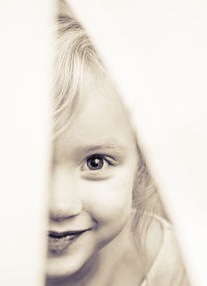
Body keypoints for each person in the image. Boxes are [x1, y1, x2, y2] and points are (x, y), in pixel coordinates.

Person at [46, 1, 189, 285]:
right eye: (31, 166)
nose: (59, 205)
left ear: (140, 165)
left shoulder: (168, 261)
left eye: (95, 162)